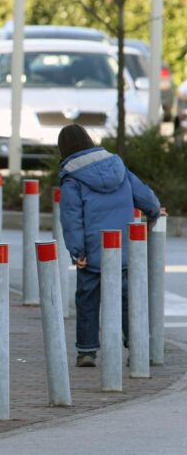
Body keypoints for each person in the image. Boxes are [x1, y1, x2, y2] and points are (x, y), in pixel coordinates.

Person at [57, 124, 163, 368]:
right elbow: (143, 195)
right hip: (124, 249)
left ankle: (87, 351)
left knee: (87, 301)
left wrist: (77, 251)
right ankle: (137, 347)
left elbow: (72, 219)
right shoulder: (117, 165)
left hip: (92, 253)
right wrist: (154, 211)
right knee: (128, 300)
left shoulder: (72, 178)